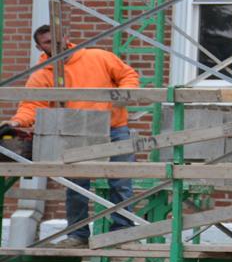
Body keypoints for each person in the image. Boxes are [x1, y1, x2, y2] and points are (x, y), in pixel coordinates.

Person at [4, 24, 141, 246]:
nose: (54, 44)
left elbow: (128, 75)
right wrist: (17, 121)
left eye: (57, 38)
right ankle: (78, 235)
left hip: (112, 127)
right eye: (47, 42)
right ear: (39, 46)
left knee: (121, 181)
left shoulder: (98, 57)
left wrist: (124, 94)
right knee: (76, 185)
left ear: (66, 37)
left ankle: (123, 233)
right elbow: (31, 105)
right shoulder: (42, 75)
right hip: (75, 133)